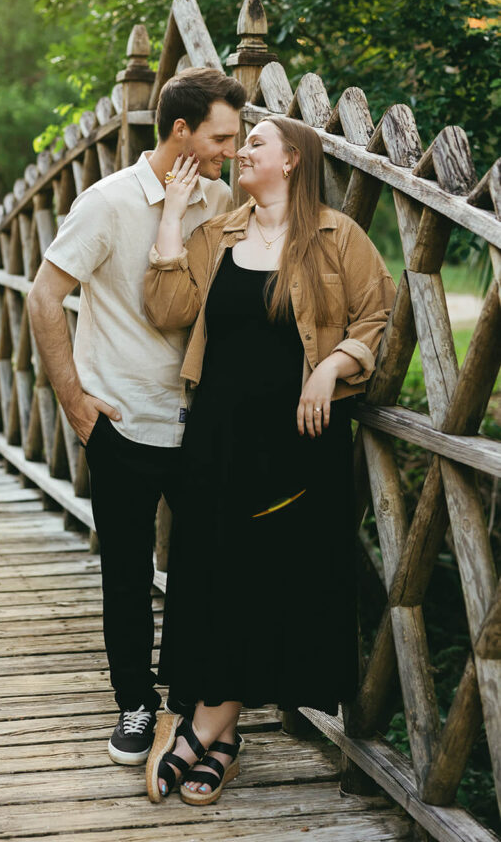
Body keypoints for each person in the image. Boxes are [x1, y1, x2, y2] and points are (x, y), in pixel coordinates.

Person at [143, 115, 396, 805]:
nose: (240, 151)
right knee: (210, 577)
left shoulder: (337, 236)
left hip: (296, 447)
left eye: (254, 142)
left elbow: (378, 316)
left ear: (291, 161)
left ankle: (203, 729)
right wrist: (170, 215)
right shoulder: (214, 233)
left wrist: (332, 366)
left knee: (266, 581)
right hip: (217, 442)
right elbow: (166, 306)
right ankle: (215, 734)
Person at [27, 67, 247, 766]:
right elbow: (43, 296)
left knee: (204, 568)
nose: (230, 151)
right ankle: (133, 702)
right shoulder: (108, 203)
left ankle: (187, 703)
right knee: (125, 573)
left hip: (202, 419)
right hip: (121, 421)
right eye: (220, 137)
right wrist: (74, 398)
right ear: (180, 131)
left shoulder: (221, 200)